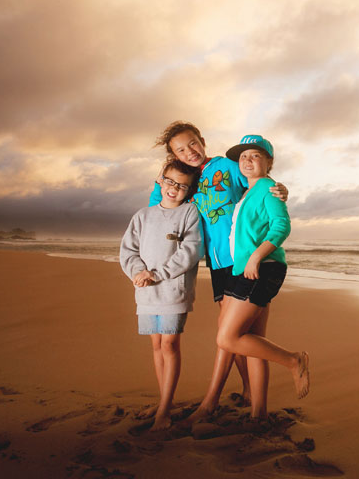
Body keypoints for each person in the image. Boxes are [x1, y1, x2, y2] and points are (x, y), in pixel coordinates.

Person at [148, 121, 288, 422]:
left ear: (201, 140)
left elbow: (258, 179)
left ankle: (211, 402)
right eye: (180, 150)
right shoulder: (184, 180)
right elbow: (158, 208)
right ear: (174, 155)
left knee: (230, 333)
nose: (190, 152)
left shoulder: (226, 165)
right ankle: (251, 394)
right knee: (242, 334)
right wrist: (161, 183)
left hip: (239, 259)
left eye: (193, 143)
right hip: (214, 264)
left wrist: (279, 189)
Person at [214, 135, 309, 418]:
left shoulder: (268, 188)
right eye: (243, 156)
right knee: (255, 341)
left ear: (269, 162)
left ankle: (294, 360)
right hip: (244, 269)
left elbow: (282, 226)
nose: (247, 160)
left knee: (227, 339)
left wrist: (256, 256)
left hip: (262, 267)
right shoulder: (249, 191)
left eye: (255, 155)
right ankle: (259, 413)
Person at [120, 159, 203, 431]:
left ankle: (164, 410)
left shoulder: (189, 213)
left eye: (182, 186)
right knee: (156, 346)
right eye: (170, 181)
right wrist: (139, 272)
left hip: (173, 292)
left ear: (189, 190)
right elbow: (128, 250)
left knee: (169, 345)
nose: (174, 188)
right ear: (160, 181)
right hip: (146, 293)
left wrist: (158, 274)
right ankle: (164, 401)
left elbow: (191, 251)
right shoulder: (142, 216)